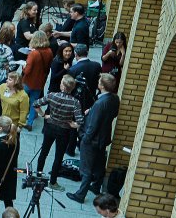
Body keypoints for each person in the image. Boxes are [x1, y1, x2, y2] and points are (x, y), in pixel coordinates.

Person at [67, 74, 120, 204]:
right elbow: (113, 114)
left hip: (92, 140)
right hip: (103, 138)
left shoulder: (100, 103)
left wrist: (85, 139)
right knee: (99, 164)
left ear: (102, 85)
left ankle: (80, 195)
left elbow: (93, 125)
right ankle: (96, 186)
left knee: (86, 168)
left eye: (99, 81)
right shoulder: (115, 98)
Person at [33, 74, 84, 191]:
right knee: (58, 156)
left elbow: (36, 104)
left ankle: (39, 176)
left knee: (44, 152)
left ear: (63, 87)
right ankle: (53, 182)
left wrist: (43, 115)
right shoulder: (75, 102)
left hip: (50, 127)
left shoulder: (52, 96)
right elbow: (80, 121)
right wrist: (73, 124)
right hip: (64, 131)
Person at [23, 31, 54, 130]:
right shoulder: (49, 51)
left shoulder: (34, 53)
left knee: (22, 99)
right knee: (34, 102)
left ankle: (21, 119)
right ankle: (30, 123)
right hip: (40, 82)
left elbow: (27, 71)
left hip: (28, 81)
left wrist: (24, 66)